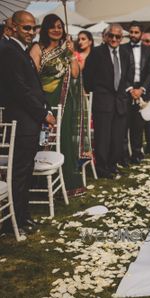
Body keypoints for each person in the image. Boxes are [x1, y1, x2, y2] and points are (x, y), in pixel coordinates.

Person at [0, 11, 56, 234]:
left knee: (25, 169)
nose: (31, 32)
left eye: (33, 28)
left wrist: (46, 107)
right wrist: (43, 115)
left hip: (29, 120)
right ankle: (14, 221)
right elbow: (20, 90)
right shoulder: (7, 51)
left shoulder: (19, 50)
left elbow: (34, 86)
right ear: (12, 27)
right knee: (20, 172)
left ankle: (23, 216)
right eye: (26, 28)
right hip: (21, 121)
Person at [29, 14, 88, 197]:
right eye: (52, 26)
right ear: (46, 29)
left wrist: (71, 54)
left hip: (64, 103)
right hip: (44, 102)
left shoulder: (66, 49)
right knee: (43, 140)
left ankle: (66, 182)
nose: (57, 30)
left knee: (63, 141)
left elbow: (76, 75)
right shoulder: (37, 48)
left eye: (60, 27)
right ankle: (39, 183)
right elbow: (33, 76)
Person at [83, 24, 130, 179]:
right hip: (102, 102)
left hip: (120, 102)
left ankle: (112, 165)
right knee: (103, 138)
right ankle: (102, 169)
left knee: (117, 138)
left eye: (118, 36)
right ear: (105, 36)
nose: (114, 39)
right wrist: (98, 93)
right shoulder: (96, 53)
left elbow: (127, 76)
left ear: (121, 38)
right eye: (111, 36)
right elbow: (87, 78)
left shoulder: (124, 53)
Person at [122, 21, 150, 164]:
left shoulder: (148, 51)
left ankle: (136, 153)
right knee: (123, 124)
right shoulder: (122, 49)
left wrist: (141, 89)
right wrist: (130, 89)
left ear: (141, 34)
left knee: (138, 124)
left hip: (142, 90)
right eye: (131, 32)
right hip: (126, 90)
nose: (133, 35)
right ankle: (123, 154)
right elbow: (121, 72)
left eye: (136, 32)